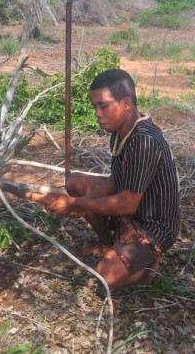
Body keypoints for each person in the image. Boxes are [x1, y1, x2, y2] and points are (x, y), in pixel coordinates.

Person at [34, 69, 180, 289]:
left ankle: (148, 264)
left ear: (126, 104)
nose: (97, 113)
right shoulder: (121, 130)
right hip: (132, 209)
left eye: (103, 106)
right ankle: (107, 243)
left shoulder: (145, 141)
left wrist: (76, 204)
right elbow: (116, 179)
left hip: (154, 224)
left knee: (105, 276)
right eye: (95, 107)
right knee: (75, 182)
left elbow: (127, 204)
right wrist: (83, 202)